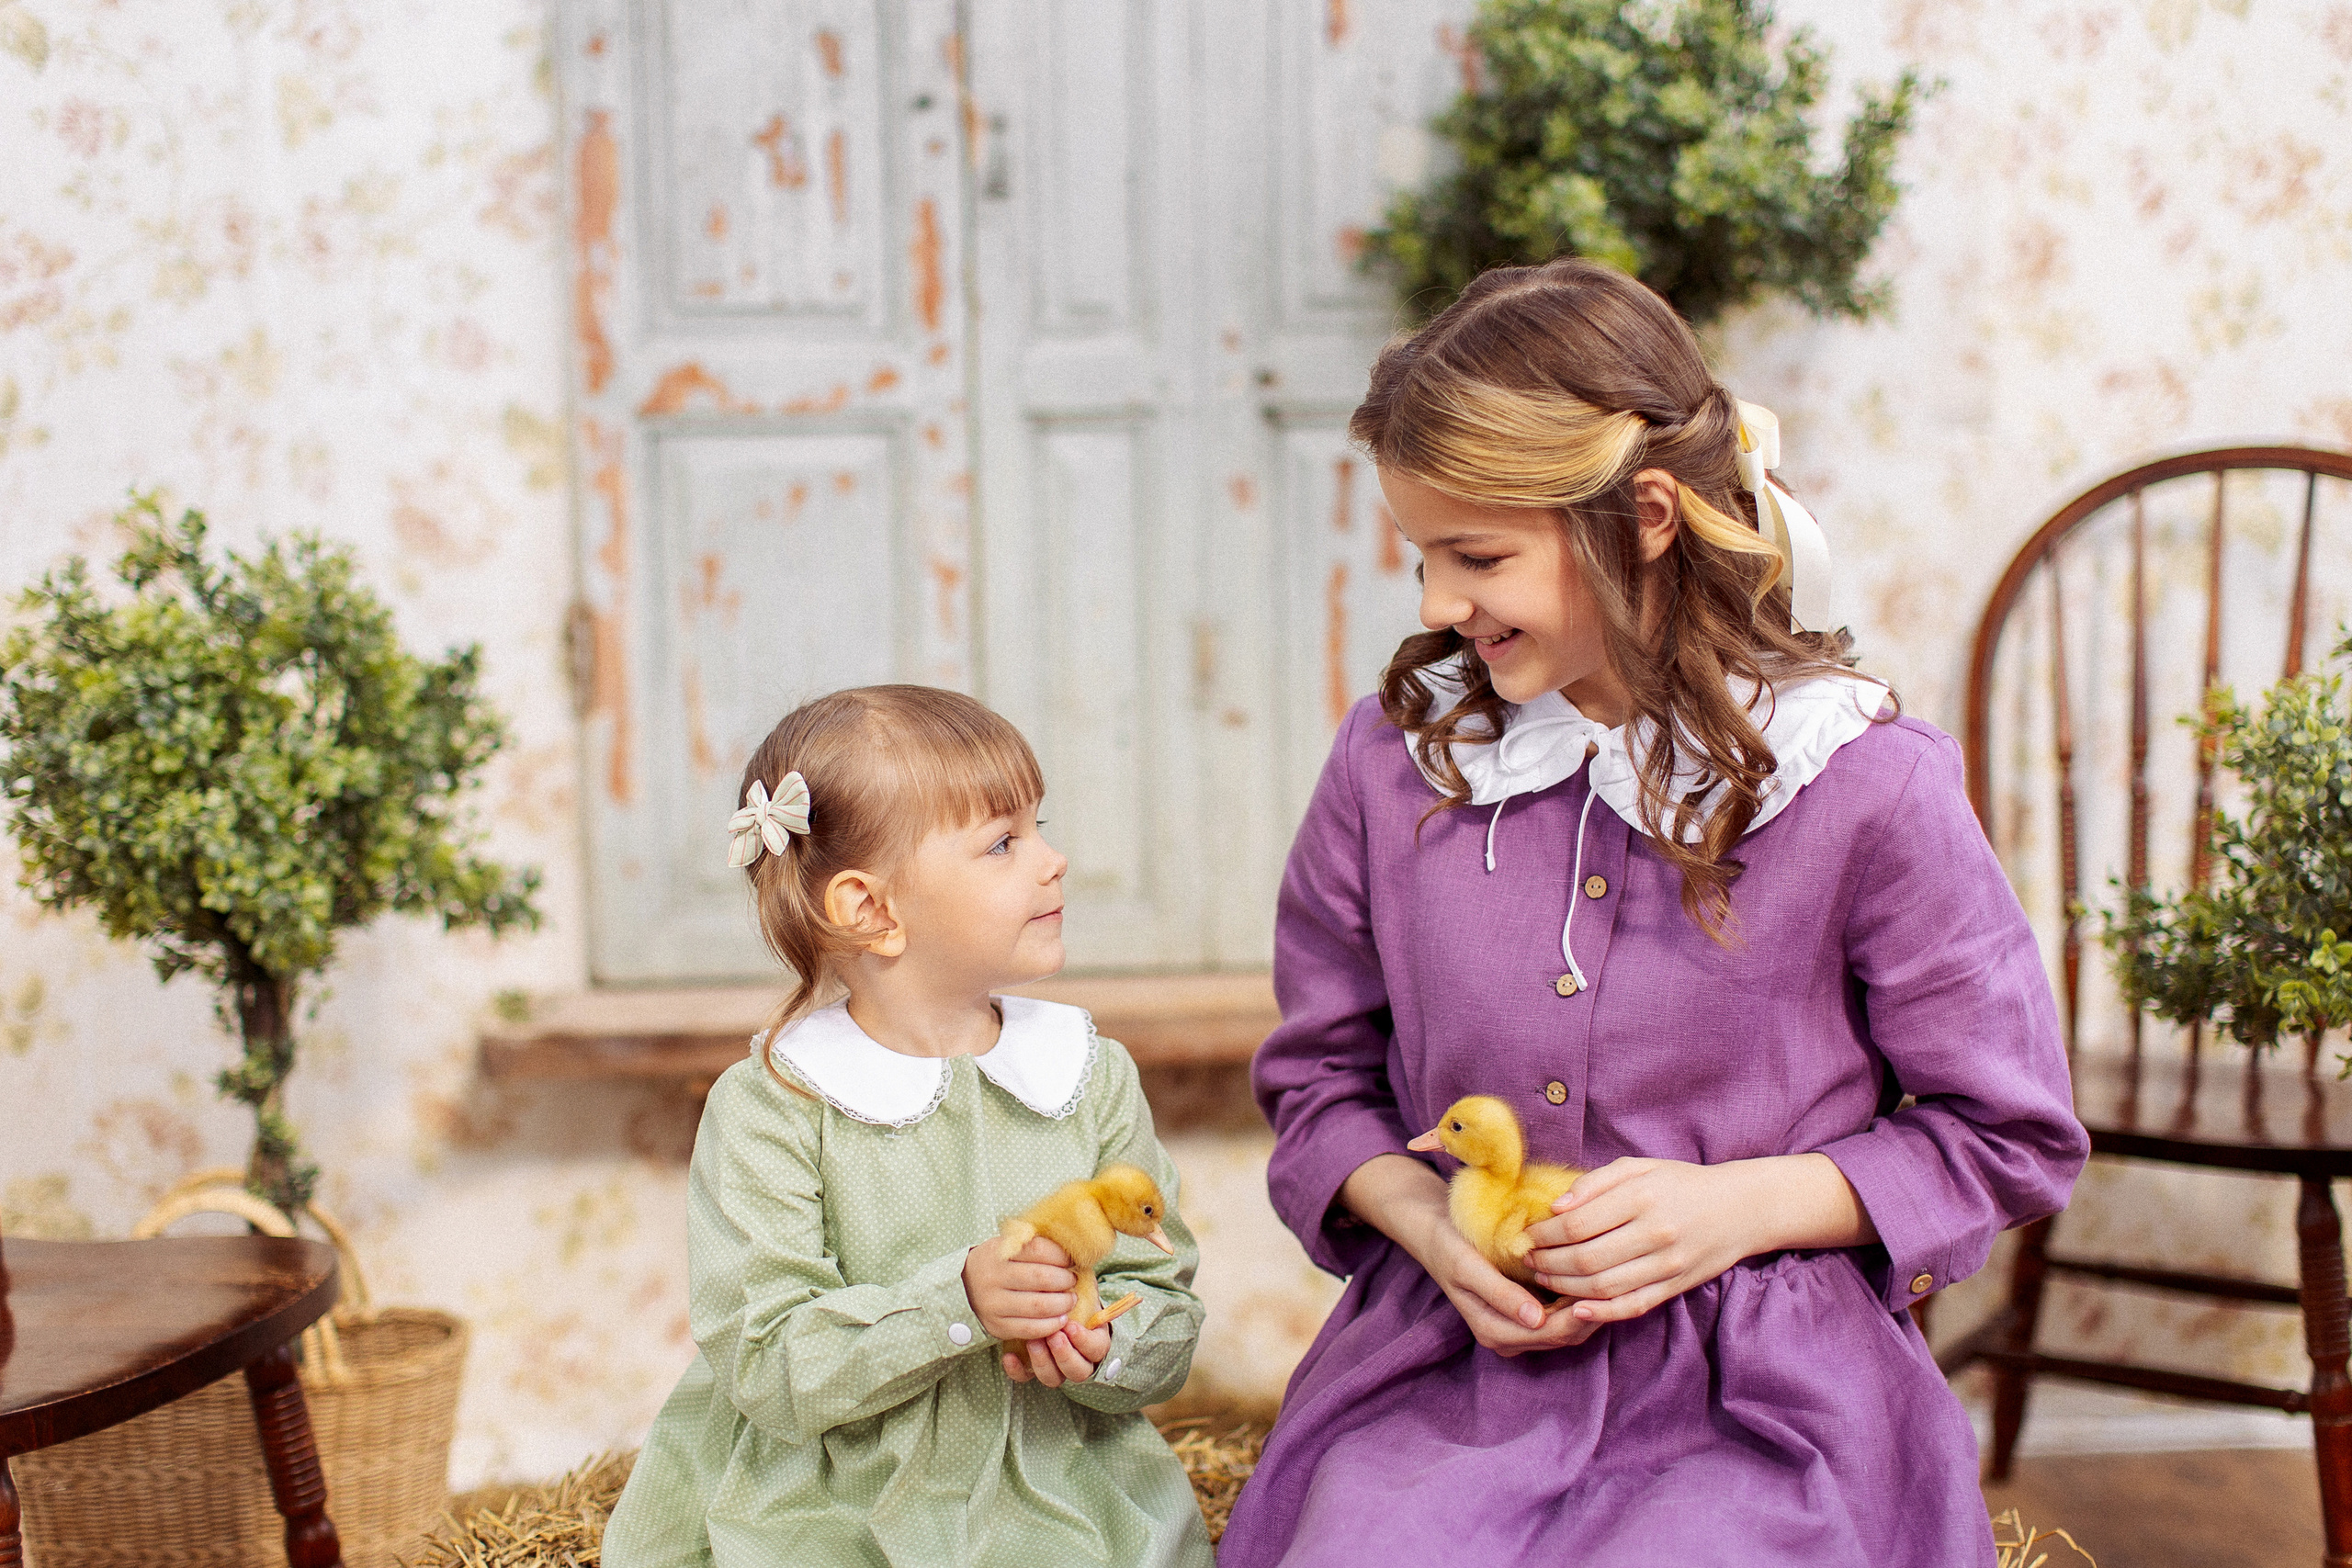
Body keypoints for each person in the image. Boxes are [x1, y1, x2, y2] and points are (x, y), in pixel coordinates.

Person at [1219, 260, 2088, 1567]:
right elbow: (1319, 1077)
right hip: (1453, 1367)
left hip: (1766, 1392)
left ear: (1648, 515)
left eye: (1479, 555)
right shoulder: (1397, 763)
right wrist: (1429, 1230)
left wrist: (1737, 1206)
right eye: (1421, 556)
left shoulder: (1865, 783)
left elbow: (2006, 1129)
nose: (1437, 606)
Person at [603, 685, 1214, 1568]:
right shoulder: (778, 1099)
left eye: (1038, 828)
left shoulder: (1088, 1071)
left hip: (1057, 1492)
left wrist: (1105, 1339)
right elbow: (768, 1359)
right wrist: (956, 1302)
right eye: (1004, 842)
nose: (1055, 860)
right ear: (871, 909)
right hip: (832, 1507)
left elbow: (1167, 1299)